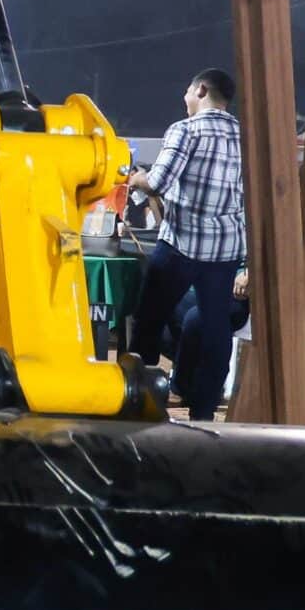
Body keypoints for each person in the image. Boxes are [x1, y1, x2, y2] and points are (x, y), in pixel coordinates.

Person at [127, 67, 245, 422]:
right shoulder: (245, 136)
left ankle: (138, 399)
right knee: (216, 328)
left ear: (201, 89)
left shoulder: (185, 130)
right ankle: (205, 410)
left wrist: (135, 178)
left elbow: (158, 183)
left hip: (181, 244)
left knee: (148, 320)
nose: (185, 100)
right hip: (225, 250)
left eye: (188, 93)